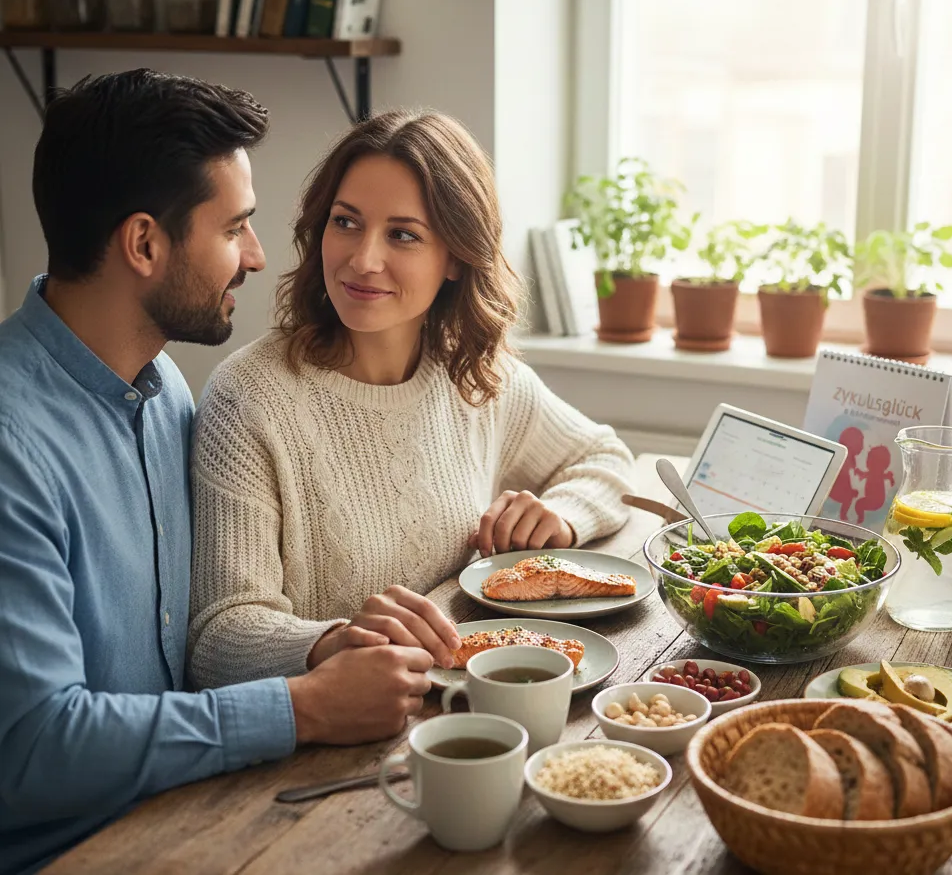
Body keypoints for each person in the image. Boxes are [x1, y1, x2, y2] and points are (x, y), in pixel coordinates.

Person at [0, 72, 444, 875]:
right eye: (234, 227)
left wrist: (327, 648)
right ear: (144, 244)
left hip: (195, 808)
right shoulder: (12, 447)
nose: (257, 255)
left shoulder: (163, 386)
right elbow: (34, 749)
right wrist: (299, 710)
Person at [187, 109, 635, 690]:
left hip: (484, 703)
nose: (362, 259)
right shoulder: (248, 398)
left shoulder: (472, 372)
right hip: (337, 740)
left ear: (455, 256)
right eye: (345, 222)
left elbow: (608, 460)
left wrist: (561, 517)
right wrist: (334, 641)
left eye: (402, 234)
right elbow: (218, 638)